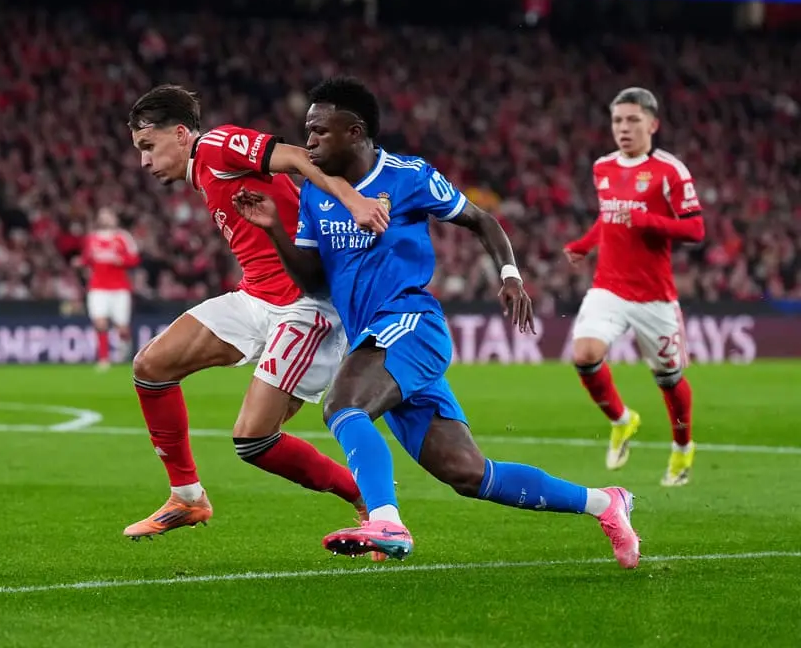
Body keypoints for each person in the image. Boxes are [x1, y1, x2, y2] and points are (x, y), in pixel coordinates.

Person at [233, 77, 640, 568]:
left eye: (319, 131)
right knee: (469, 474)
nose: (309, 140)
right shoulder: (317, 196)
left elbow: (481, 220)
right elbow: (315, 282)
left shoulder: (408, 176)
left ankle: (384, 520)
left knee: (342, 405)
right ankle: (607, 502)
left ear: (355, 131)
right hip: (372, 338)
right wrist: (275, 228)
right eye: (307, 131)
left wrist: (509, 275)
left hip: (410, 323)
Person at [122, 84, 390, 540]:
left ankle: (367, 498)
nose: (144, 161)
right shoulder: (203, 170)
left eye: (149, 146)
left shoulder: (219, 145)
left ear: (182, 133)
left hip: (304, 308)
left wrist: (355, 201)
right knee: (151, 367)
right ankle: (186, 497)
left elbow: (299, 158)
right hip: (255, 297)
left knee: (254, 440)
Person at [564, 87, 704, 486]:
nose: (623, 128)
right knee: (584, 354)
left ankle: (682, 447)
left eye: (632, 121)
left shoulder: (670, 171)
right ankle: (622, 420)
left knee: (670, 380)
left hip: (655, 297)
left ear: (653, 124)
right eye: (617, 121)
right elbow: (610, 219)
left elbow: (695, 228)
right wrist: (585, 245)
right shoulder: (602, 167)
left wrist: (650, 222)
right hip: (608, 286)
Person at [81, 208, 140, 371]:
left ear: (115, 218)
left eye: (109, 215)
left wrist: (120, 260)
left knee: (122, 327)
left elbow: (134, 259)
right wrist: (81, 263)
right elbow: (86, 259)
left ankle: (125, 350)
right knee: (100, 322)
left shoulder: (123, 237)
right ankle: (104, 359)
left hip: (119, 287)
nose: (106, 219)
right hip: (97, 286)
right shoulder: (91, 238)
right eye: (103, 216)